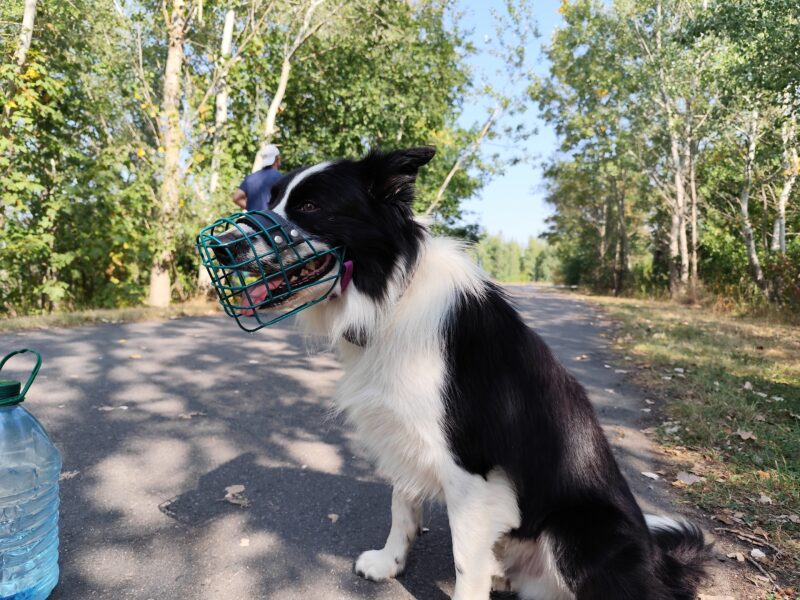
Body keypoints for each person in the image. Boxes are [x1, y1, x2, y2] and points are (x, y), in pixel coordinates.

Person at [232, 144, 283, 212]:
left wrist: (251, 208)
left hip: (252, 220)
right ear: (276, 158)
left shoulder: (250, 178)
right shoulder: (280, 178)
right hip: (271, 220)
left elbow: (236, 198)